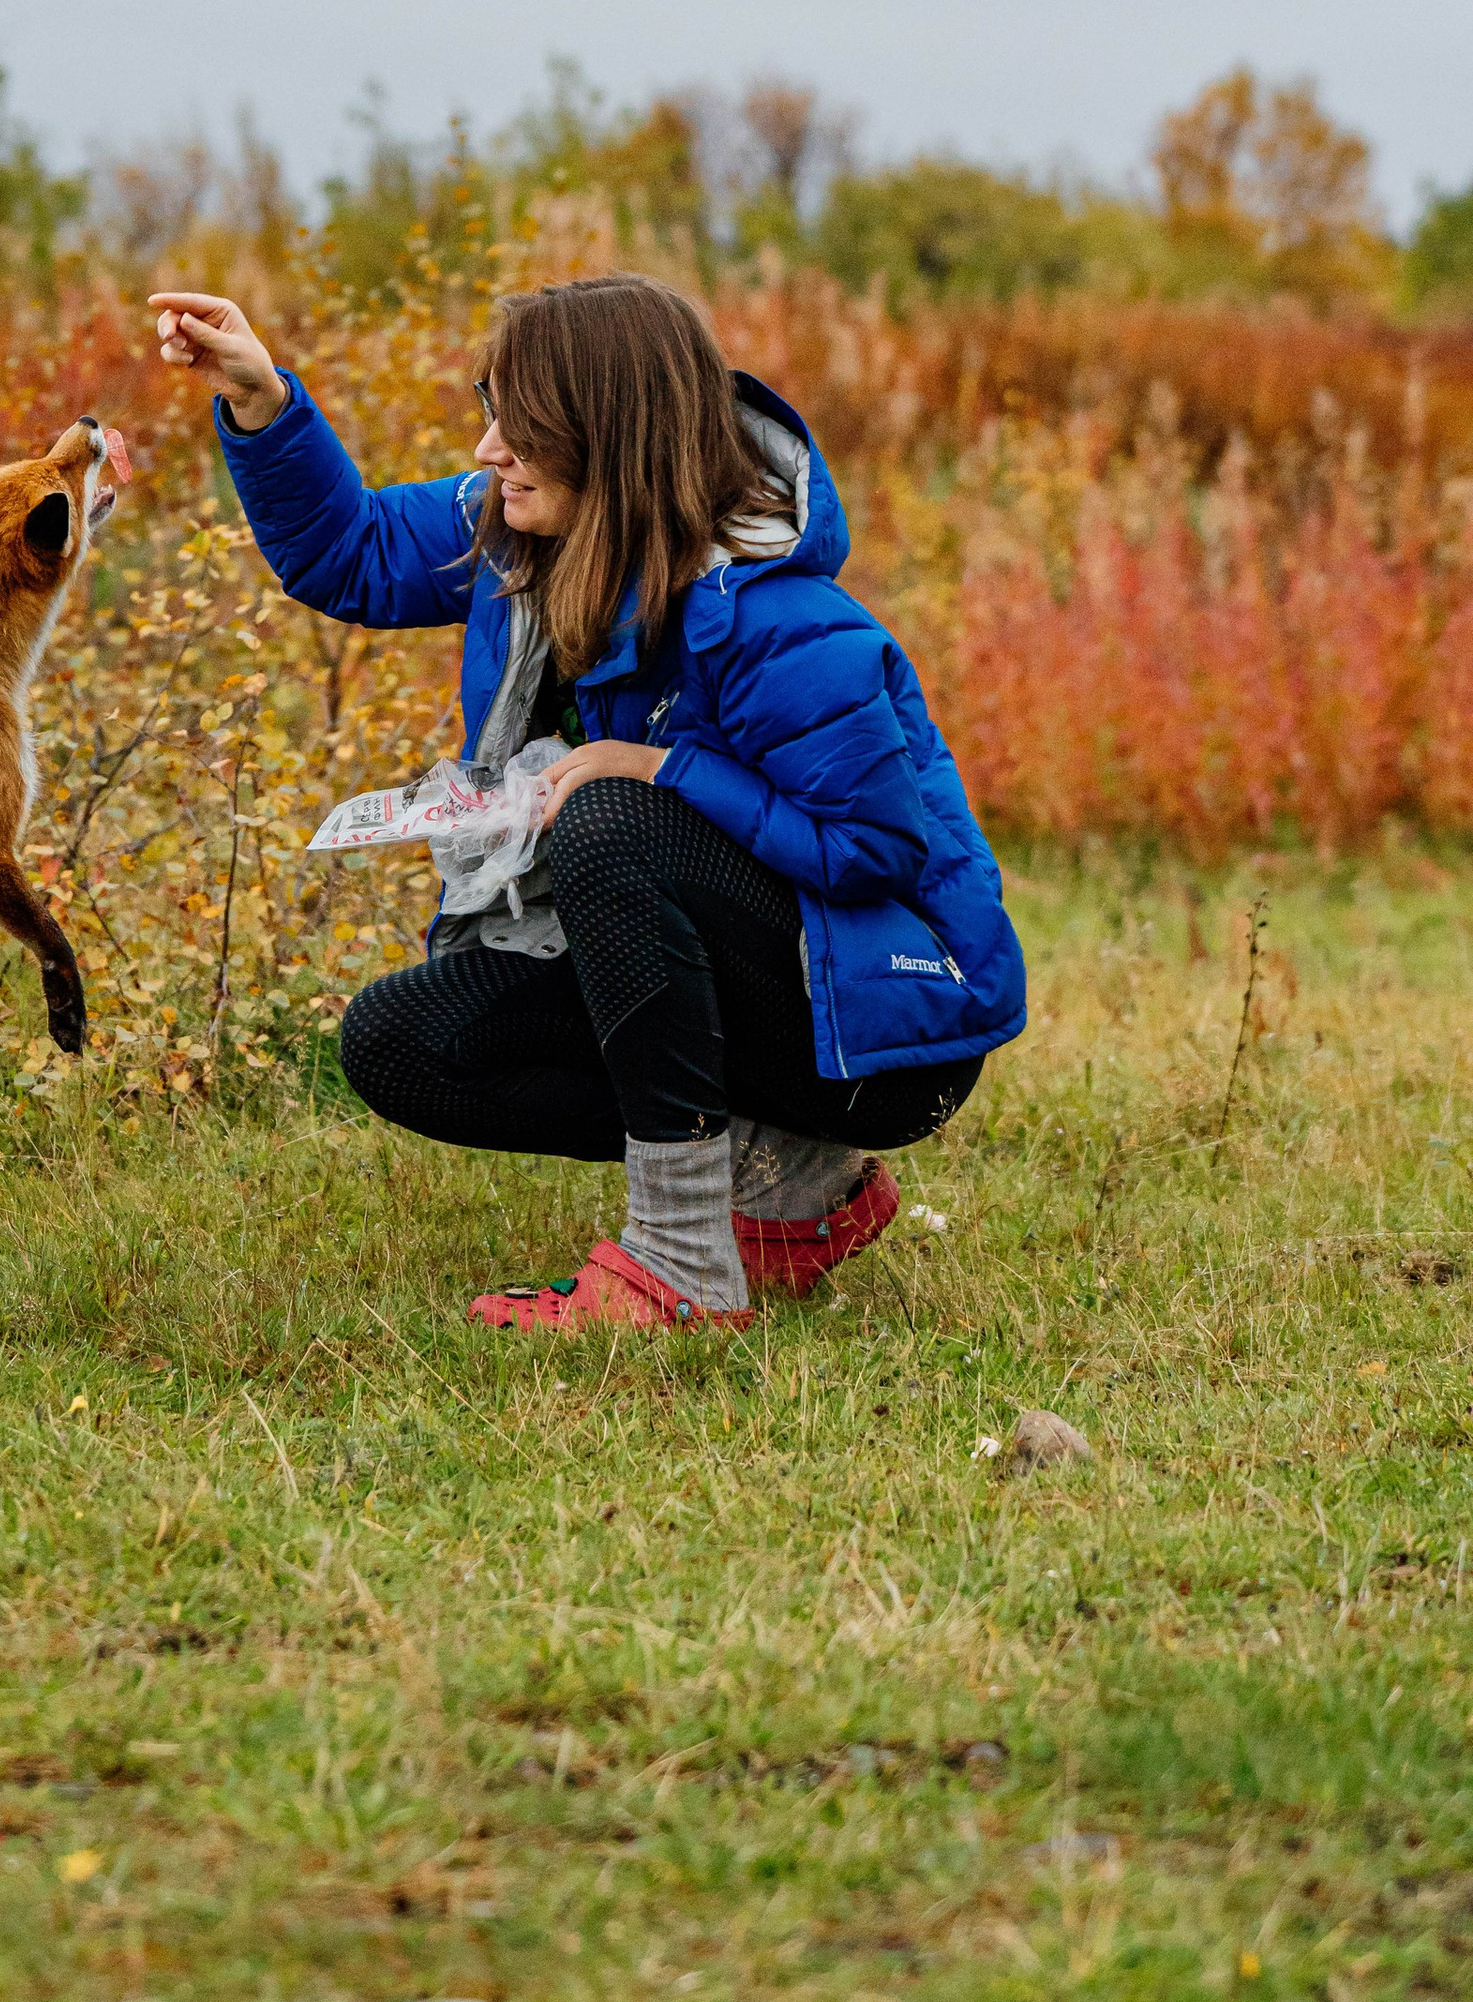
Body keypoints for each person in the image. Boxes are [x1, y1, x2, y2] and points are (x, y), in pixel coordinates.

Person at [148, 274, 1024, 1333]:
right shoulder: (517, 538)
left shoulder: (780, 618)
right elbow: (353, 557)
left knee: (612, 820)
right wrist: (258, 399)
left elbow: (874, 851)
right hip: (753, 996)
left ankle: (682, 1265)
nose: (485, 451)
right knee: (402, 1042)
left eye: (519, 429)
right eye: (490, 415)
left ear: (606, 437)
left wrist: (655, 771)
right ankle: (790, 1190)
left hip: (880, 1040)